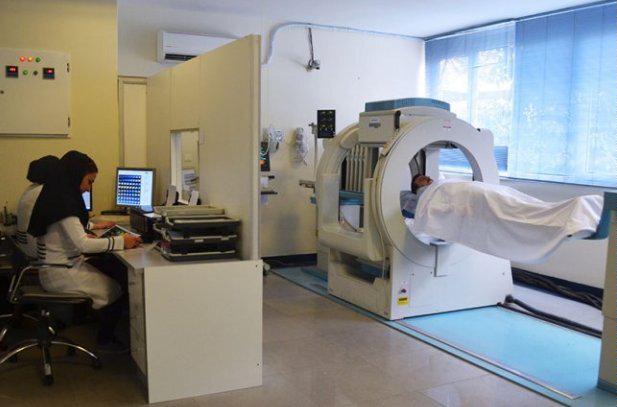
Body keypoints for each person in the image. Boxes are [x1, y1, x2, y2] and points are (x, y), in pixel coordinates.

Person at [28, 151, 142, 352]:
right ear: (76, 174)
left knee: (110, 268)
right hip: (61, 272)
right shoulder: (64, 203)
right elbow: (83, 245)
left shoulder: (57, 196)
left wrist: (94, 229)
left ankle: (92, 323)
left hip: (57, 266)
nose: (88, 188)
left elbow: (69, 229)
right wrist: (121, 241)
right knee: (117, 288)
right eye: (89, 181)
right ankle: (105, 341)